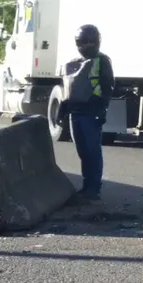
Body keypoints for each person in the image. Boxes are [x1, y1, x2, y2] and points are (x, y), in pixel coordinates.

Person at [61, 24, 114, 201]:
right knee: (83, 151)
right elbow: (71, 88)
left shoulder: (102, 60)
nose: (87, 46)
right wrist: (64, 106)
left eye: (90, 42)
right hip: (76, 112)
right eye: (83, 42)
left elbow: (108, 86)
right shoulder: (76, 62)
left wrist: (102, 109)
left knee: (92, 151)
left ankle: (94, 188)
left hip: (92, 112)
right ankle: (87, 186)